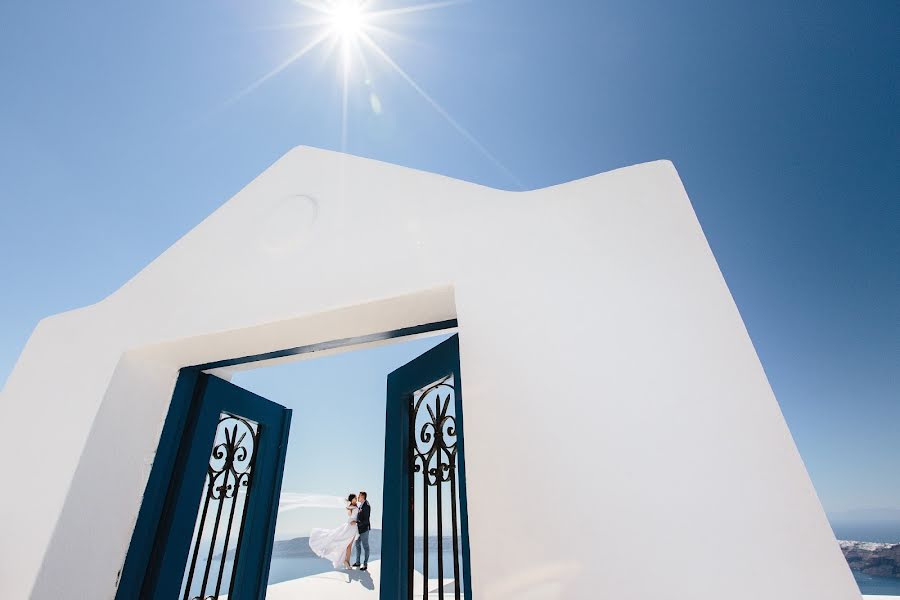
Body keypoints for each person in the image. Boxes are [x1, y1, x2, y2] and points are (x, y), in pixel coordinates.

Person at [308, 493, 360, 569]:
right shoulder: (350, 507)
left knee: (349, 545)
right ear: (352, 499)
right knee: (347, 544)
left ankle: (347, 562)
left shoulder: (356, 506)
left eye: (356, 498)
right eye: (355, 498)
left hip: (354, 527)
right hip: (350, 526)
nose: (356, 499)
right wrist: (349, 510)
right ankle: (346, 561)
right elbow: (350, 516)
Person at [352, 491, 371, 570]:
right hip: (359, 529)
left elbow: (366, 520)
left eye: (359, 496)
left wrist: (356, 522)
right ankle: (357, 562)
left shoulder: (366, 506)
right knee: (357, 545)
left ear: (362, 497)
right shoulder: (361, 505)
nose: (358, 497)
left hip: (364, 529)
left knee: (365, 546)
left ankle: (365, 564)